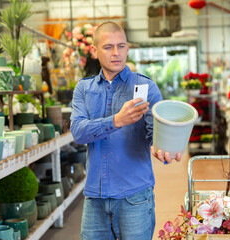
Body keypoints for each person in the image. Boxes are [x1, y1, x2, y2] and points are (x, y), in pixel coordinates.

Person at [70, 21, 181, 240]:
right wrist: (116, 120)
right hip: (95, 199)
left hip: (134, 197)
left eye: (121, 46)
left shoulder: (145, 87)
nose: (116, 53)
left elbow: (155, 132)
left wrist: (162, 147)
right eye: (108, 47)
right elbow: (78, 132)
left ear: (128, 47)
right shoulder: (84, 89)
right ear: (94, 51)